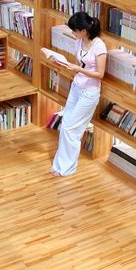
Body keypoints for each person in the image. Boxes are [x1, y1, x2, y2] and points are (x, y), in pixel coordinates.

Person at [46, 12, 107, 177]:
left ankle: (68, 167)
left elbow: (100, 74)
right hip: (76, 87)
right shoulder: (79, 41)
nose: (73, 34)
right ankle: (59, 164)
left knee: (71, 128)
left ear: (84, 31)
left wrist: (79, 69)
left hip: (89, 92)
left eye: (75, 31)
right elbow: (78, 63)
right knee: (66, 123)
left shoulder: (99, 46)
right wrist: (61, 62)